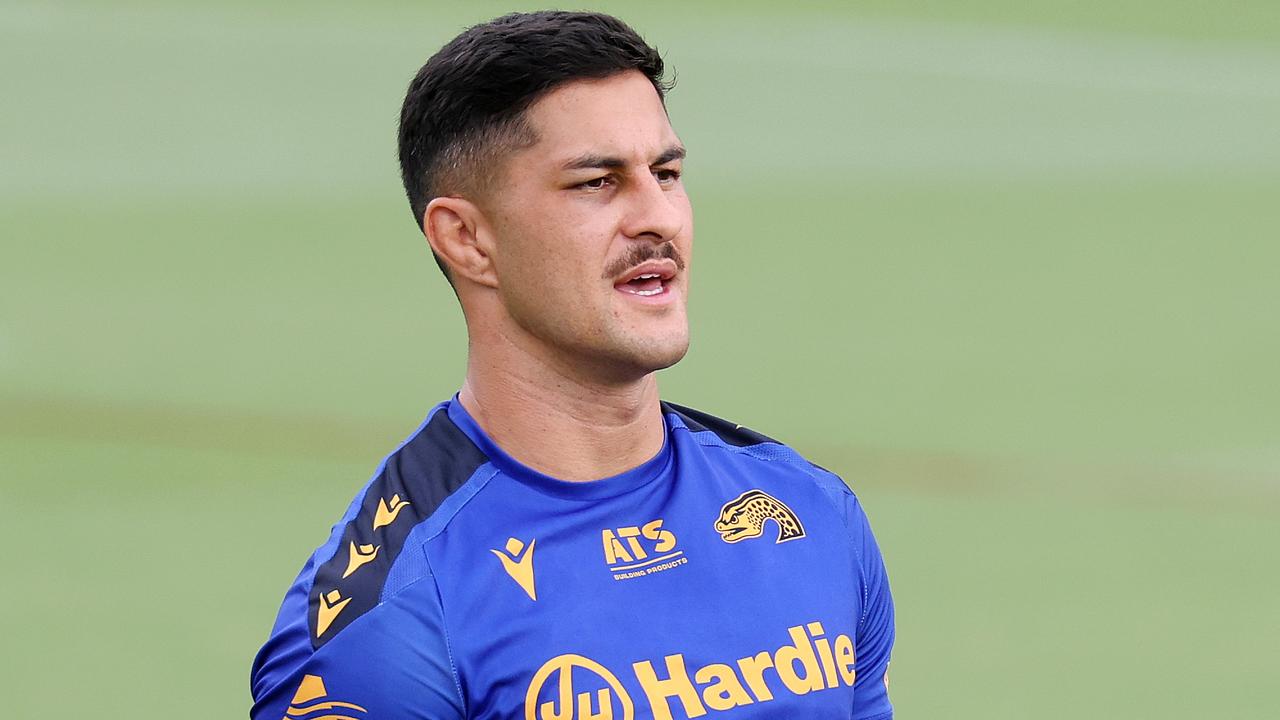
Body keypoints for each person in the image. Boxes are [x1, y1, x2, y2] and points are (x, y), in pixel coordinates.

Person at [250, 10, 893, 720]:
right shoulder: (389, 619)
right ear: (466, 239)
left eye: (667, 173)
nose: (660, 218)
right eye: (598, 182)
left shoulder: (806, 511)